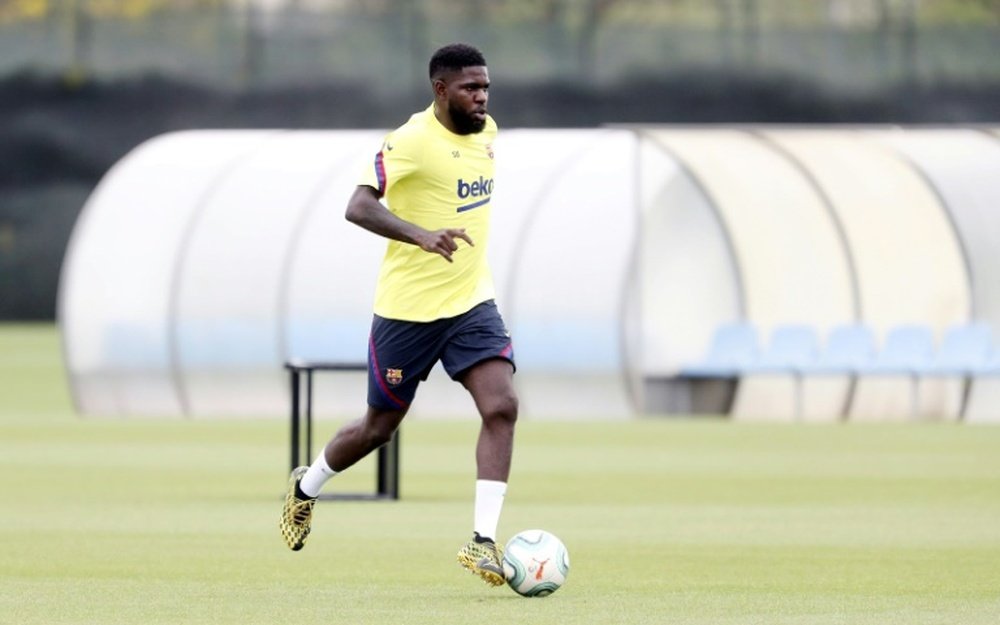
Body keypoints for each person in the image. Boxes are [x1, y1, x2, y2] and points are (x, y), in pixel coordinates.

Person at [279, 43, 518, 588]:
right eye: (469, 88)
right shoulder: (410, 141)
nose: (481, 97)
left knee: (501, 406)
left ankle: (482, 541)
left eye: (485, 87)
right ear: (440, 89)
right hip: (407, 313)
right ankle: (306, 487)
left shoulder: (487, 133)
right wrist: (421, 235)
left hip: (471, 303)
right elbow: (357, 205)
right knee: (378, 428)